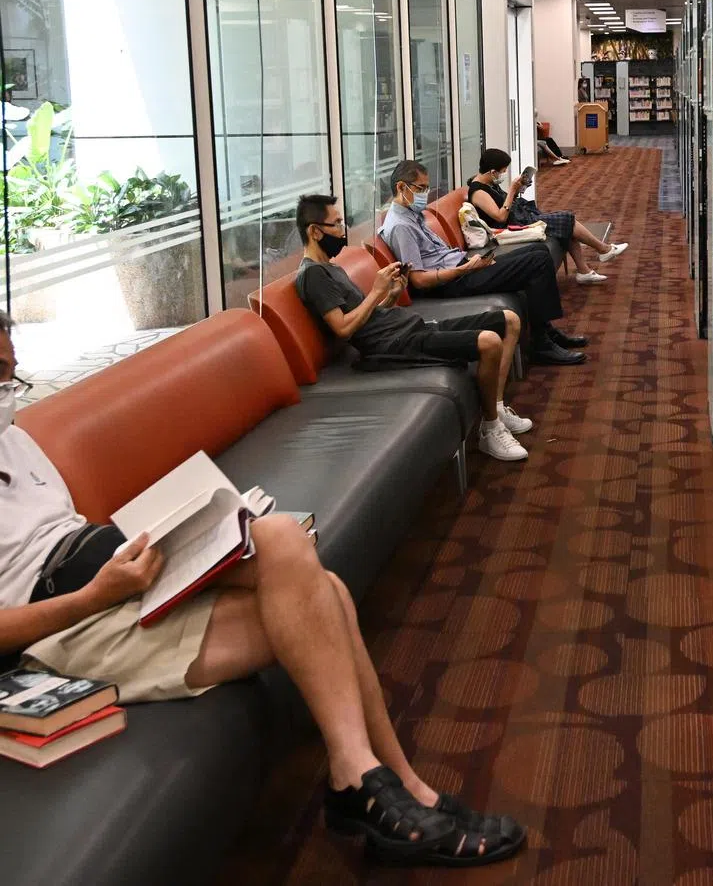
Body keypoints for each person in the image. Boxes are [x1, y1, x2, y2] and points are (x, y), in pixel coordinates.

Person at [0, 313, 525, 867]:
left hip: (98, 562)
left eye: (11, 375)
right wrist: (95, 597)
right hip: (54, 625)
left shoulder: (14, 438)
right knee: (314, 581)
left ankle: (389, 784)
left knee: (293, 563)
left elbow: (64, 527)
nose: (8, 391)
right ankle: (377, 783)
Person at [294, 194, 531, 463]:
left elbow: (366, 315)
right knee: (489, 341)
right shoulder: (313, 275)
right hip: (392, 345)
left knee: (509, 320)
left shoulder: (330, 267)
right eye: (336, 224)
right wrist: (375, 291)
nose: (342, 230)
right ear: (314, 231)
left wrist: (391, 295)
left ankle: (496, 409)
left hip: (406, 327)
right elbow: (343, 329)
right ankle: (489, 430)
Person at [379, 162, 588, 367]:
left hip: (463, 266)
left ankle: (546, 331)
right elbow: (419, 279)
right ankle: (541, 344)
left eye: (426, 188)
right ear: (400, 187)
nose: (425, 193)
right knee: (538, 261)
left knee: (538, 250)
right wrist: (464, 268)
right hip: (453, 281)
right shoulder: (401, 227)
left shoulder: (412, 216)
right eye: (420, 188)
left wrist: (469, 263)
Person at [467, 148, 628, 286]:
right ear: (492, 171)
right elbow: (501, 216)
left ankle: (585, 269)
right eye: (502, 171)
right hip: (511, 226)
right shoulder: (479, 192)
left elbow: (504, 204)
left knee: (565, 223)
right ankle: (602, 250)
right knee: (566, 219)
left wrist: (518, 189)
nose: (503, 174)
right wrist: (511, 191)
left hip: (519, 215)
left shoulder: (489, 182)